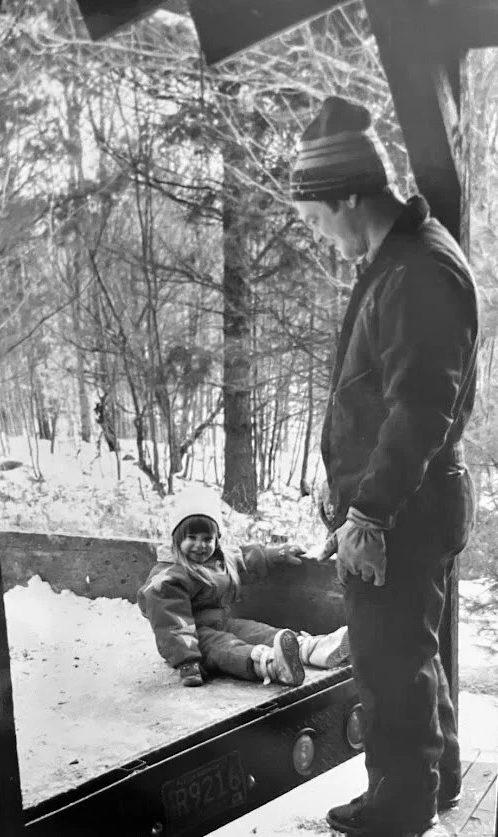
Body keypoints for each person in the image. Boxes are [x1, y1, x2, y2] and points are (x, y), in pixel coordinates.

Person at [290, 97, 478, 837]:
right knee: (413, 650)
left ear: (346, 196)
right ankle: (436, 780)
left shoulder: (417, 270)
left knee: (390, 667)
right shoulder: (402, 257)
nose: (313, 232)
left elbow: (420, 409)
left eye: (313, 216)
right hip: (415, 497)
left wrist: (366, 512)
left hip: (401, 506)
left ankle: (396, 811)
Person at [138, 487, 350, 687]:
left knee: (258, 631)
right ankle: (270, 665)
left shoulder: (219, 559)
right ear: (176, 538)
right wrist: (187, 661)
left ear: (217, 539)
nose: (200, 545)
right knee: (225, 647)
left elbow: (245, 559)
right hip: (194, 637)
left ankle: (310, 649)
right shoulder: (168, 578)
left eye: (207, 538)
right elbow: (171, 623)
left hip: (222, 622)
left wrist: (274, 555)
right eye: (191, 538)